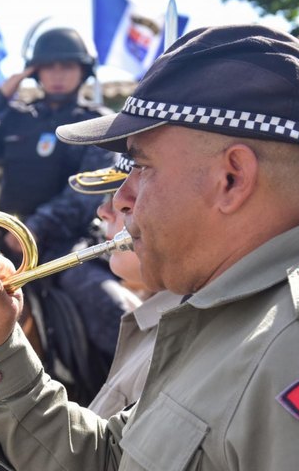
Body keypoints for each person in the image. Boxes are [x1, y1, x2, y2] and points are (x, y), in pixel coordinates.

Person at [0, 24, 299, 470]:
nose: (119, 198)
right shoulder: (228, 317)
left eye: (141, 167)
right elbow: (109, 459)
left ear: (231, 179)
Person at [0, 26, 125, 388]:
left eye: (67, 66)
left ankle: (132, 394)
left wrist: (37, 229)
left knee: (110, 306)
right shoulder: (16, 117)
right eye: (49, 66)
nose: (58, 74)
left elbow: (89, 191)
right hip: (3, 249)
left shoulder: (99, 121)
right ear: (35, 71)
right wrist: (1, 96)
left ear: (83, 72)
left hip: (69, 249)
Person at [68, 156, 181, 418]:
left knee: (97, 298)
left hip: (70, 239)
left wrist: (39, 226)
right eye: (112, 192)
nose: (105, 209)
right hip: (38, 243)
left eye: (136, 185)